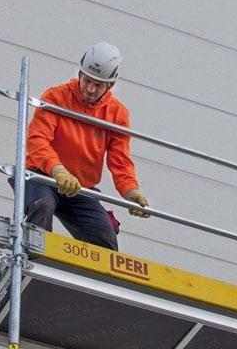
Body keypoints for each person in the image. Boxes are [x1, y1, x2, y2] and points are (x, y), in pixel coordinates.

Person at [22, 41, 149, 251]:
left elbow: (120, 160)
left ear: (110, 86)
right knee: (41, 207)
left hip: (80, 189)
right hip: (43, 176)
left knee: (104, 237)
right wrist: (58, 170)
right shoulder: (56, 97)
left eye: (98, 84)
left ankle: (95, 283)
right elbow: (37, 140)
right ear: (80, 73)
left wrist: (131, 191)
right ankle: (31, 264)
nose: (90, 89)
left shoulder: (117, 114)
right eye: (87, 80)